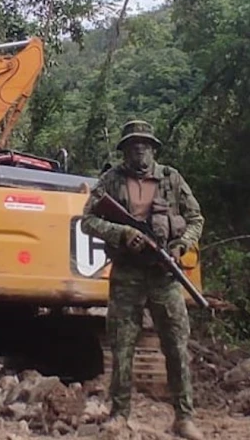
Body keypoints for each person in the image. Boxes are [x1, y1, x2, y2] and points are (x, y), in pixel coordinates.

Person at [80, 120, 205, 440]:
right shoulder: (111, 181)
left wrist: (181, 245)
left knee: (176, 346)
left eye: (145, 144)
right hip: (127, 276)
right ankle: (119, 414)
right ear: (124, 149)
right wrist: (122, 233)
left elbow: (195, 218)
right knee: (122, 347)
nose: (140, 149)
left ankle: (184, 416)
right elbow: (88, 221)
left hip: (164, 277)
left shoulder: (171, 178)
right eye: (134, 144)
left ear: (153, 148)